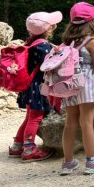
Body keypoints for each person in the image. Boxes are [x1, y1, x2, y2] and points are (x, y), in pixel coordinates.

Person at [59, 2, 94, 175]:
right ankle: (92, 160)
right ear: (92, 21)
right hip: (87, 82)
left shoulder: (67, 42)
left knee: (70, 123)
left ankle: (68, 162)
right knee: (87, 122)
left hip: (68, 83)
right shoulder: (92, 42)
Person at [9, 11, 63, 162]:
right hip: (39, 88)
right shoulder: (43, 47)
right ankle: (29, 149)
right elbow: (50, 66)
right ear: (48, 29)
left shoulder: (31, 43)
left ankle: (16, 146)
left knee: (29, 116)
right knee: (35, 117)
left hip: (29, 86)